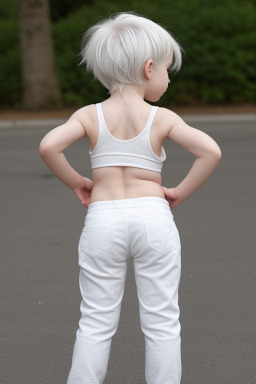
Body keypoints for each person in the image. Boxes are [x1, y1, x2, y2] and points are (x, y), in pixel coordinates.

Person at [39, 11, 222, 384]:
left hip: (103, 219)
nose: (169, 79)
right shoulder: (162, 118)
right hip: (153, 218)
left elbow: (49, 146)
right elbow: (211, 152)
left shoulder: (89, 115)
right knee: (161, 319)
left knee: (95, 318)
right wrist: (178, 193)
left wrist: (78, 181)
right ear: (149, 67)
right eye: (168, 70)